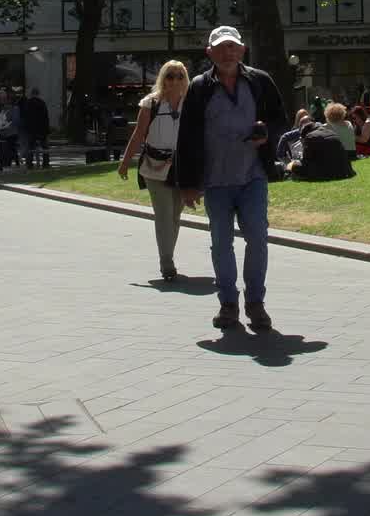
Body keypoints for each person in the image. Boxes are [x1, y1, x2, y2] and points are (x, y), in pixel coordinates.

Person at [174, 27, 287, 329]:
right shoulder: (199, 86)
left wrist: (267, 132)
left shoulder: (260, 81)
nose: (228, 53)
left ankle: (255, 303)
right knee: (221, 243)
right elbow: (186, 136)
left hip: (253, 176)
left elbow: (280, 121)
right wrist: (187, 184)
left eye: (233, 47)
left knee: (258, 240)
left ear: (243, 50)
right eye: (222, 48)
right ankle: (228, 304)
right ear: (209, 52)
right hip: (215, 180)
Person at [119, 60, 192, 281]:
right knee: (163, 214)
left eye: (180, 76)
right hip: (154, 166)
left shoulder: (191, 103)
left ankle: (167, 256)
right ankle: (167, 262)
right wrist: (125, 161)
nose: (175, 80)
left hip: (181, 166)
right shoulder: (150, 103)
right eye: (170, 76)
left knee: (175, 215)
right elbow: (139, 134)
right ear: (163, 78)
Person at [20, 87, 52, 169]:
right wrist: (47, 131)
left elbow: (25, 117)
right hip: (42, 130)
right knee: (45, 148)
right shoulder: (42, 103)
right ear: (38, 94)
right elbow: (46, 118)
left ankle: (29, 164)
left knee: (30, 148)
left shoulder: (28, 103)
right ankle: (45, 163)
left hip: (31, 130)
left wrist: (25, 129)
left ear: (31, 94)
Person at [0, 89, 21, 169]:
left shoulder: (13, 107)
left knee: (10, 148)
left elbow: (15, 120)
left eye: (0, 98)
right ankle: (4, 164)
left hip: (11, 132)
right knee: (2, 148)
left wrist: (7, 124)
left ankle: (11, 163)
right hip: (2, 132)